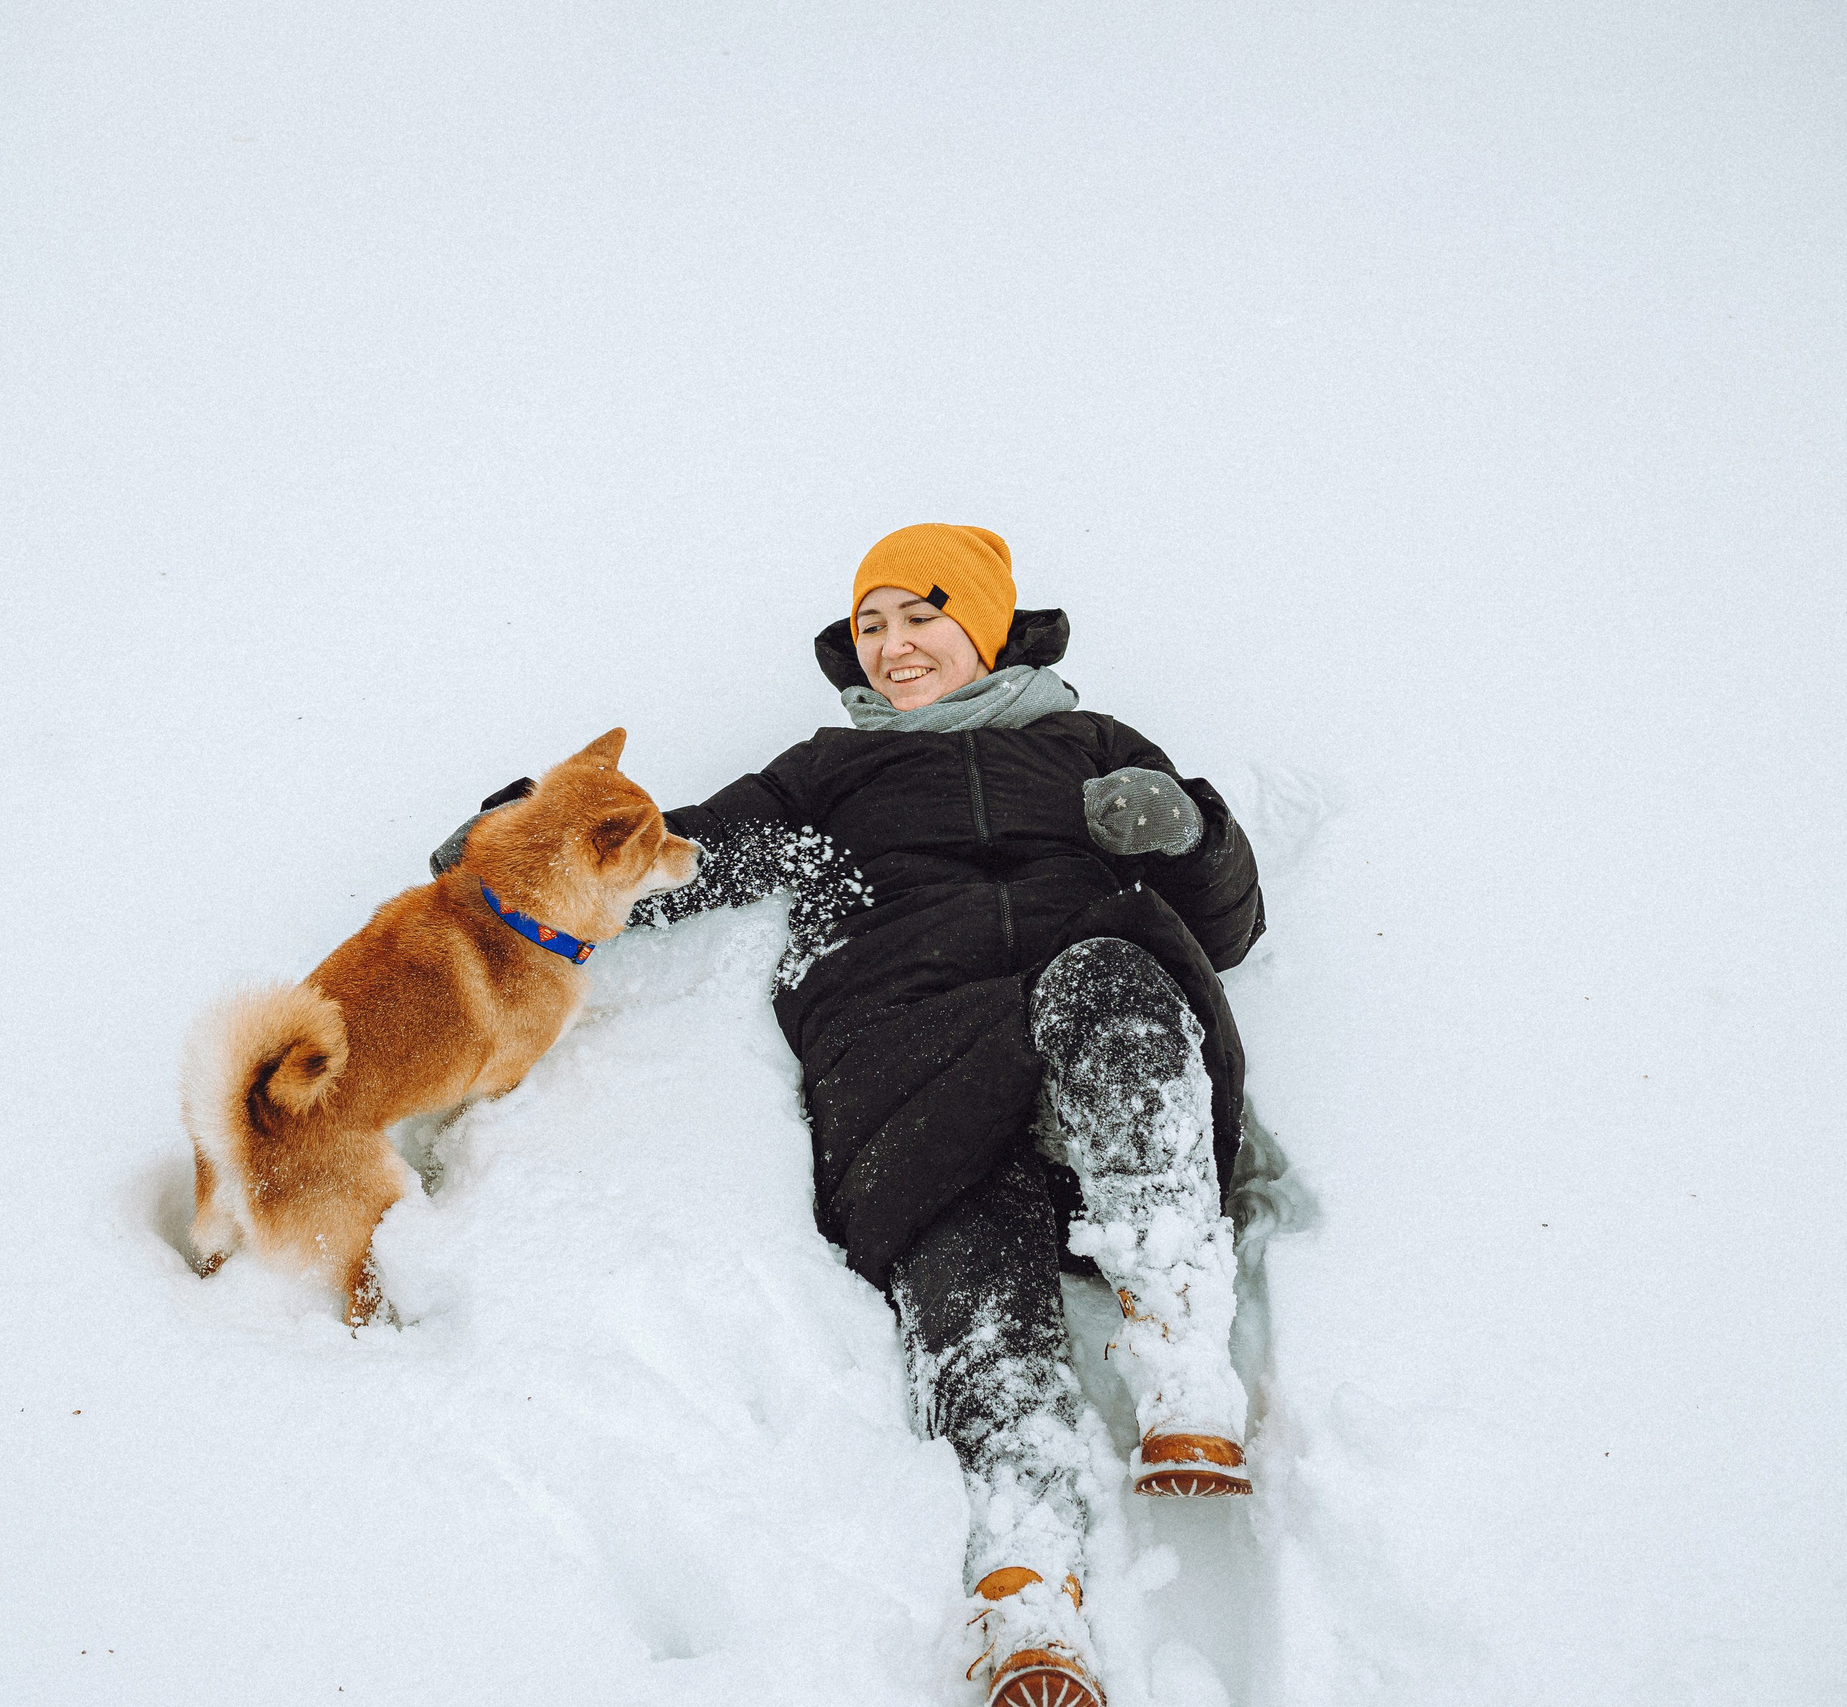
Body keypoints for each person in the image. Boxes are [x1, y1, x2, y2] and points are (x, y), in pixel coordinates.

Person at [434, 524, 1264, 1707]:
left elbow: (1225, 933)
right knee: (967, 1270)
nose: (891, 646)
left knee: (1113, 980)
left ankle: (1179, 1344)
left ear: (983, 624)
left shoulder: (1093, 746)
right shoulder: (824, 770)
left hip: (1098, 1030)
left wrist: (1186, 831)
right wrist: (518, 853)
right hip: (910, 1056)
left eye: (917, 616)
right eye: (870, 627)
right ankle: (1025, 1586)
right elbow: (671, 863)